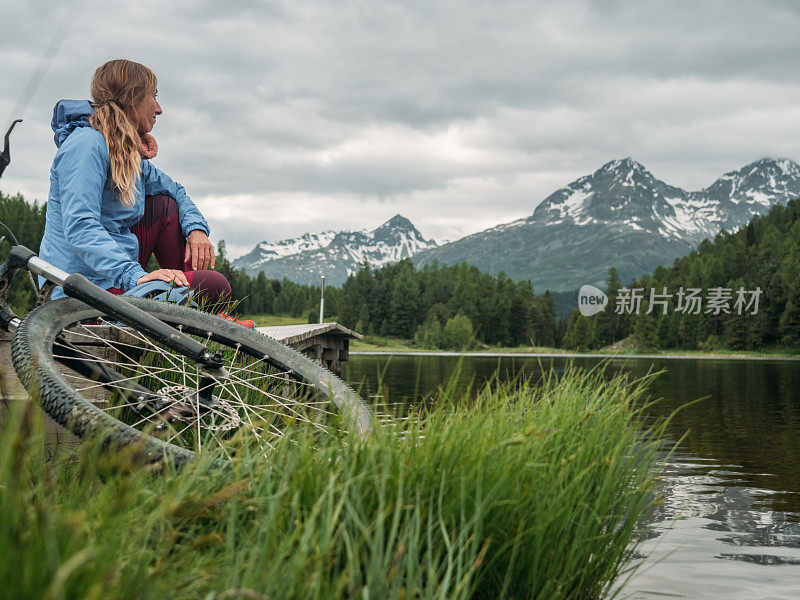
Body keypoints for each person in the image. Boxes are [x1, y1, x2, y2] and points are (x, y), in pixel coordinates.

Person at [39, 59, 232, 309]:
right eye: (153, 96)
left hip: (116, 275)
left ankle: (174, 296)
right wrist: (136, 276)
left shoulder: (124, 150)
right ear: (133, 98)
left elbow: (175, 190)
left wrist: (196, 229)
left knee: (165, 205)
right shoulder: (85, 145)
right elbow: (80, 226)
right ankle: (173, 303)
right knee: (216, 286)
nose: (159, 108)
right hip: (82, 289)